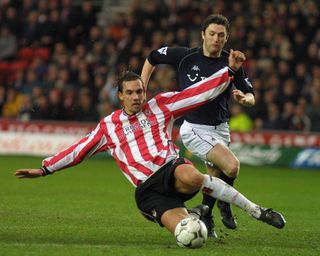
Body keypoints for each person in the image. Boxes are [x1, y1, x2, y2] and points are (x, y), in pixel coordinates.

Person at [15, 52, 285, 247]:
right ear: (120, 95)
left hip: (170, 169)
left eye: (140, 92)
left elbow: (198, 92)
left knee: (192, 176)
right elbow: (79, 150)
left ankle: (256, 210)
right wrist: (45, 168)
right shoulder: (108, 126)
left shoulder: (161, 106)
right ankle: (195, 214)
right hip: (148, 192)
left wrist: (229, 72)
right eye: (130, 93)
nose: (137, 97)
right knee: (188, 236)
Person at [141, 14, 255, 237]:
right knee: (231, 167)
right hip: (194, 127)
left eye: (221, 35)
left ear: (227, 38)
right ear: (203, 34)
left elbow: (252, 94)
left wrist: (245, 98)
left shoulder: (231, 62)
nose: (216, 39)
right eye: (212, 34)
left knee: (214, 176)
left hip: (221, 128)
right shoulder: (185, 57)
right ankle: (224, 203)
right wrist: (143, 87)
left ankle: (207, 217)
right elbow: (153, 57)